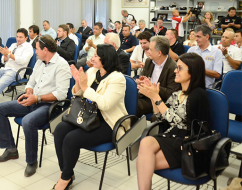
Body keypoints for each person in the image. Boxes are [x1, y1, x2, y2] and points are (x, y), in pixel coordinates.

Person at [0, 35, 71, 177]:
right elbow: (31, 82)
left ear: (45, 50)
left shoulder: (62, 65)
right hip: (33, 100)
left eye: (37, 49)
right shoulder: (40, 62)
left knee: (28, 121)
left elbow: (61, 95)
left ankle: (31, 161)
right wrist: (29, 91)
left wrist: (37, 97)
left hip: (49, 107)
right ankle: (10, 149)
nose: (35, 52)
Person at [53, 45, 128, 190]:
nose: (92, 58)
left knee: (71, 138)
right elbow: (77, 94)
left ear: (105, 59)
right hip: (87, 115)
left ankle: (64, 179)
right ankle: (66, 172)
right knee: (60, 129)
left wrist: (86, 87)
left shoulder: (118, 79)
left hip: (107, 121)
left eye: (95, 56)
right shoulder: (93, 71)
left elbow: (105, 104)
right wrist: (77, 82)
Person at [136, 53, 210, 190]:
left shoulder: (198, 94)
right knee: (145, 144)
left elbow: (178, 121)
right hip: (173, 136)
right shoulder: (178, 93)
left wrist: (157, 98)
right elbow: (160, 118)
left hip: (189, 143)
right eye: (176, 67)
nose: (175, 71)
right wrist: (153, 98)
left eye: (179, 68)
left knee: (143, 163)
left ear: (192, 71)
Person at [136, 36, 180, 118]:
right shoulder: (149, 61)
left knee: (133, 106)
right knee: (123, 101)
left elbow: (171, 93)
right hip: (144, 95)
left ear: (159, 53)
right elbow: (143, 78)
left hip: (160, 101)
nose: (148, 52)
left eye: (150, 50)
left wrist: (153, 88)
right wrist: (141, 82)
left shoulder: (173, 68)